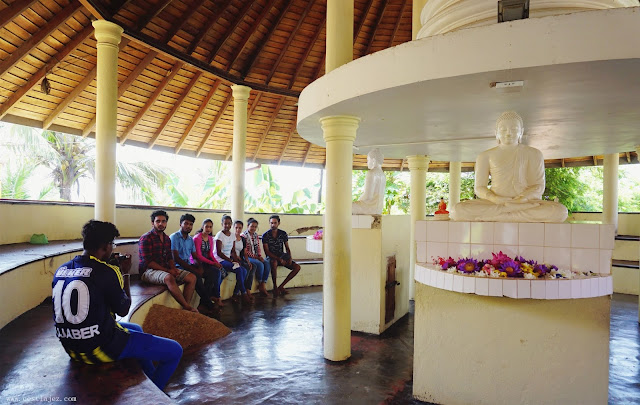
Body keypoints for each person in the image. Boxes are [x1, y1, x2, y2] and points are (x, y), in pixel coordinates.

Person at [52, 220, 182, 390]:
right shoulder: (107, 271)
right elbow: (123, 309)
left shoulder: (61, 269)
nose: (112, 249)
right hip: (98, 348)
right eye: (112, 245)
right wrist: (125, 273)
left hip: (70, 347)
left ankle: (149, 378)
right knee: (174, 351)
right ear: (106, 246)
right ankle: (157, 392)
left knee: (135, 327)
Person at [450, 111, 568, 223]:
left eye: (514, 129)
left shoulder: (534, 154)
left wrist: (522, 199)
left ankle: (501, 214)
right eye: (503, 129)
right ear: (496, 132)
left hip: (523, 202)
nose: (508, 133)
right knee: (457, 210)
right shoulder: (485, 156)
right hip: (496, 203)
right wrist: (495, 199)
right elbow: (480, 188)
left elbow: (538, 186)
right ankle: (510, 213)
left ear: (521, 132)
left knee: (560, 212)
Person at [139, 210, 199, 312]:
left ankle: (185, 308)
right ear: (152, 223)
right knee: (169, 278)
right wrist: (168, 270)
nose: (161, 224)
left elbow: (170, 257)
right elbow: (148, 262)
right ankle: (187, 307)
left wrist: (173, 268)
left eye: (163, 221)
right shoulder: (146, 238)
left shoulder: (167, 238)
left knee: (192, 277)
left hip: (165, 269)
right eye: (158, 221)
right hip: (148, 271)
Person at [169, 213, 217, 313]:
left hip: (188, 265)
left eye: (190, 224)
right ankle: (208, 304)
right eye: (186, 223)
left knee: (212, 273)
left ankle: (203, 303)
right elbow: (176, 259)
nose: (188, 226)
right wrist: (194, 270)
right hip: (178, 266)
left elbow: (195, 256)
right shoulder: (174, 237)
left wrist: (199, 267)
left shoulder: (190, 239)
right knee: (197, 277)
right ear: (180, 224)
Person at [214, 215, 251, 303]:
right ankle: (243, 293)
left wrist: (236, 260)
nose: (227, 225)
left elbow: (233, 251)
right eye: (225, 223)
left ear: (231, 224)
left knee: (244, 271)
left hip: (228, 259)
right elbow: (219, 252)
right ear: (222, 224)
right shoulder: (220, 235)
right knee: (238, 269)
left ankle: (235, 293)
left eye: (229, 223)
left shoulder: (232, 235)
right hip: (220, 260)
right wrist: (230, 261)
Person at [262, 215, 301, 297]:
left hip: (281, 256)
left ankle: (281, 286)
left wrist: (289, 257)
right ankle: (275, 286)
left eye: (275, 223)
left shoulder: (283, 233)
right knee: (274, 262)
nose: (273, 225)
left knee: (297, 267)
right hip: (271, 257)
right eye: (271, 223)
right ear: (269, 223)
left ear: (278, 223)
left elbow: (287, 248)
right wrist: (279, 259)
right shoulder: (265, 235)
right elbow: (267, 252)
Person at [192, 218, 225, 307]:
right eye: (206, 227)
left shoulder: (210, 238)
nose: (208, 229)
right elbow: (198, 256)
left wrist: (216, 262)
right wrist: (213, 263)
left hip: (206, 262)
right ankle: (214, 297)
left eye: (210, 227)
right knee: (214, 273)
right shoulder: (197, 238)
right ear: (202, 227)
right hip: (197, 262)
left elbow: (210, 254)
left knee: (220, 272)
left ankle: (209, 298)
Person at [241, 217, 271, 297]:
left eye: (255, 227)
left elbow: (258, 247)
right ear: (248, 226)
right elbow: (245, 251)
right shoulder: (243, 236)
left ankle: (263, 283)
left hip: (255, 256)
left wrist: (260, 256)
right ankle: (260, 282)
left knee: (267, 263)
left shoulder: (255, 235)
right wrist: (256, 257)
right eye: (252, 226)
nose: (253, 228)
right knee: (260, 264)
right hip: (246, 257)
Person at [352, 148, 386, 215]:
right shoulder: (383, 175)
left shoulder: (371, 173)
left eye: (368, 160)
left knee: (345, 206)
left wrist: (359, 200)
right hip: (378, 209)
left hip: (368, 208)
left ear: (373, 160)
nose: (367, 162)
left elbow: (368, 196)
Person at [231, 220, 256, 298]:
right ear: (233, 227)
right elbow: (232, 251)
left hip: (240, 258)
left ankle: (247, 288)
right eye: (236, 228)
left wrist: (248, 261)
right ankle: (241, 291)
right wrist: (237, 259)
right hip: (233, 259)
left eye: (240, 228)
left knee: (253, 266)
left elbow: (244, 252)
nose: (238, 230)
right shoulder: (231, 237)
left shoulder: (242, 239)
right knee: (245, 268)